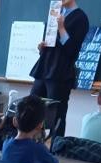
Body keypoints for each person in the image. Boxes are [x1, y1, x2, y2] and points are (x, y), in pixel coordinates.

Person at [30, 0, 89, 139]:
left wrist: (61, 27)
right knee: (31, 108)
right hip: (44, 68)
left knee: (56, 115)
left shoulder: (80, 18)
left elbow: (72, 50)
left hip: (60, 73)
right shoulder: (56, 12)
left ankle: (56, 147)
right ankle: (31, 143)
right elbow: (52, 43)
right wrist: (42, 47)